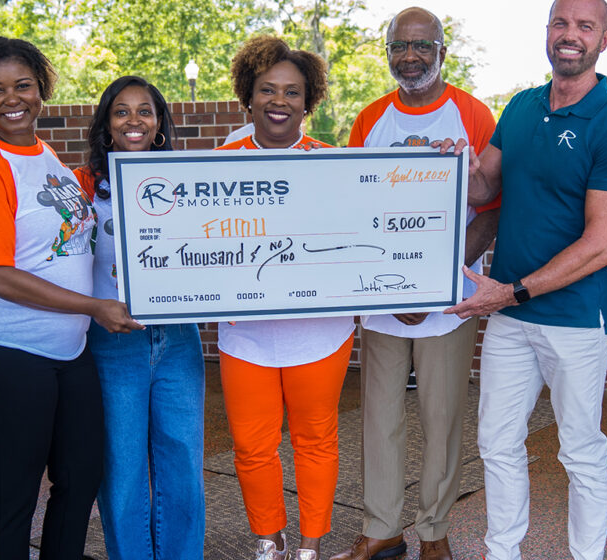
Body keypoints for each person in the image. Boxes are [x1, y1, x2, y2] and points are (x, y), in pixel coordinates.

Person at [443, 0, 607, 558]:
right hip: (509, 313)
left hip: (573, 319)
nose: (570, 35)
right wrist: (456, 167)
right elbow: (484, 191)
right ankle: (502, 551)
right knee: (497, 443)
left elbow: (600, 246)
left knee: (580, 450)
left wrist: (509, 292)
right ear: (547, 32)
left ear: (605, 39)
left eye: (585, 26)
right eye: (561, 23)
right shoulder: (523, 107)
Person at [0, 36, 142, 559]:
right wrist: (95, 307)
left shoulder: (44, 154)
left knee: (80, 478)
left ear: (41, 88)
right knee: (15, 491)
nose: (13, 99)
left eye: (23, 85)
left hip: (65, 351)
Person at [331, 7, 499, 560]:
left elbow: (492, 210)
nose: (411, 56)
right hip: (383, 300)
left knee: (442, 417)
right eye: (400, 46)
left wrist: (435, 281)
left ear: (442, 52)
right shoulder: (370, 119)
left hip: (447, 301)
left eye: (422, 46)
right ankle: (381, 527)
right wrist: (388, 289)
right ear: (389, 52)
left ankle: (435, 530)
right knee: (378, 417)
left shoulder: (473, 115)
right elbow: (354, 209)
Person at [217, 35, 353, 560]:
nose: (279, 101)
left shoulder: (336, 164)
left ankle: (310, 547)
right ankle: (268, 542)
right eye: (267, 90)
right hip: (245, 334)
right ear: (247, 97)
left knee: (315, 443)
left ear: (308, 100)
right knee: (252, 448)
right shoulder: (218, 164)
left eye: (293, 92)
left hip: (319, 333)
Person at [73, 76, 206, 560]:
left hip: (177, 339)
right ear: (107, 125)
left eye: (144, 111)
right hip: (112, 341)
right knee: (123, 469)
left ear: (159, 123)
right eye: (121, 111)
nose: (134, 121)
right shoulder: (85, 186)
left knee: (183, 463)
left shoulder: (187, 182)